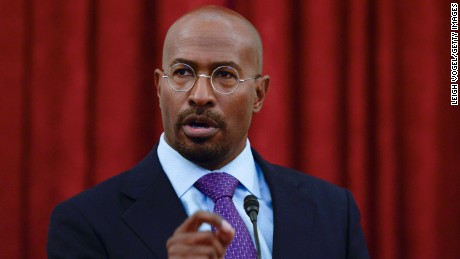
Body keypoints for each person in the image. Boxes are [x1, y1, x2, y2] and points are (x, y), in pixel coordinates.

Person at [47, 5, 369, 259]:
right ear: (159, 87)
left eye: (225, 74)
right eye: (183, 72)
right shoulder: (85, 222)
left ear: (258, 95)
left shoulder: (332, 212)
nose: (200, 94)